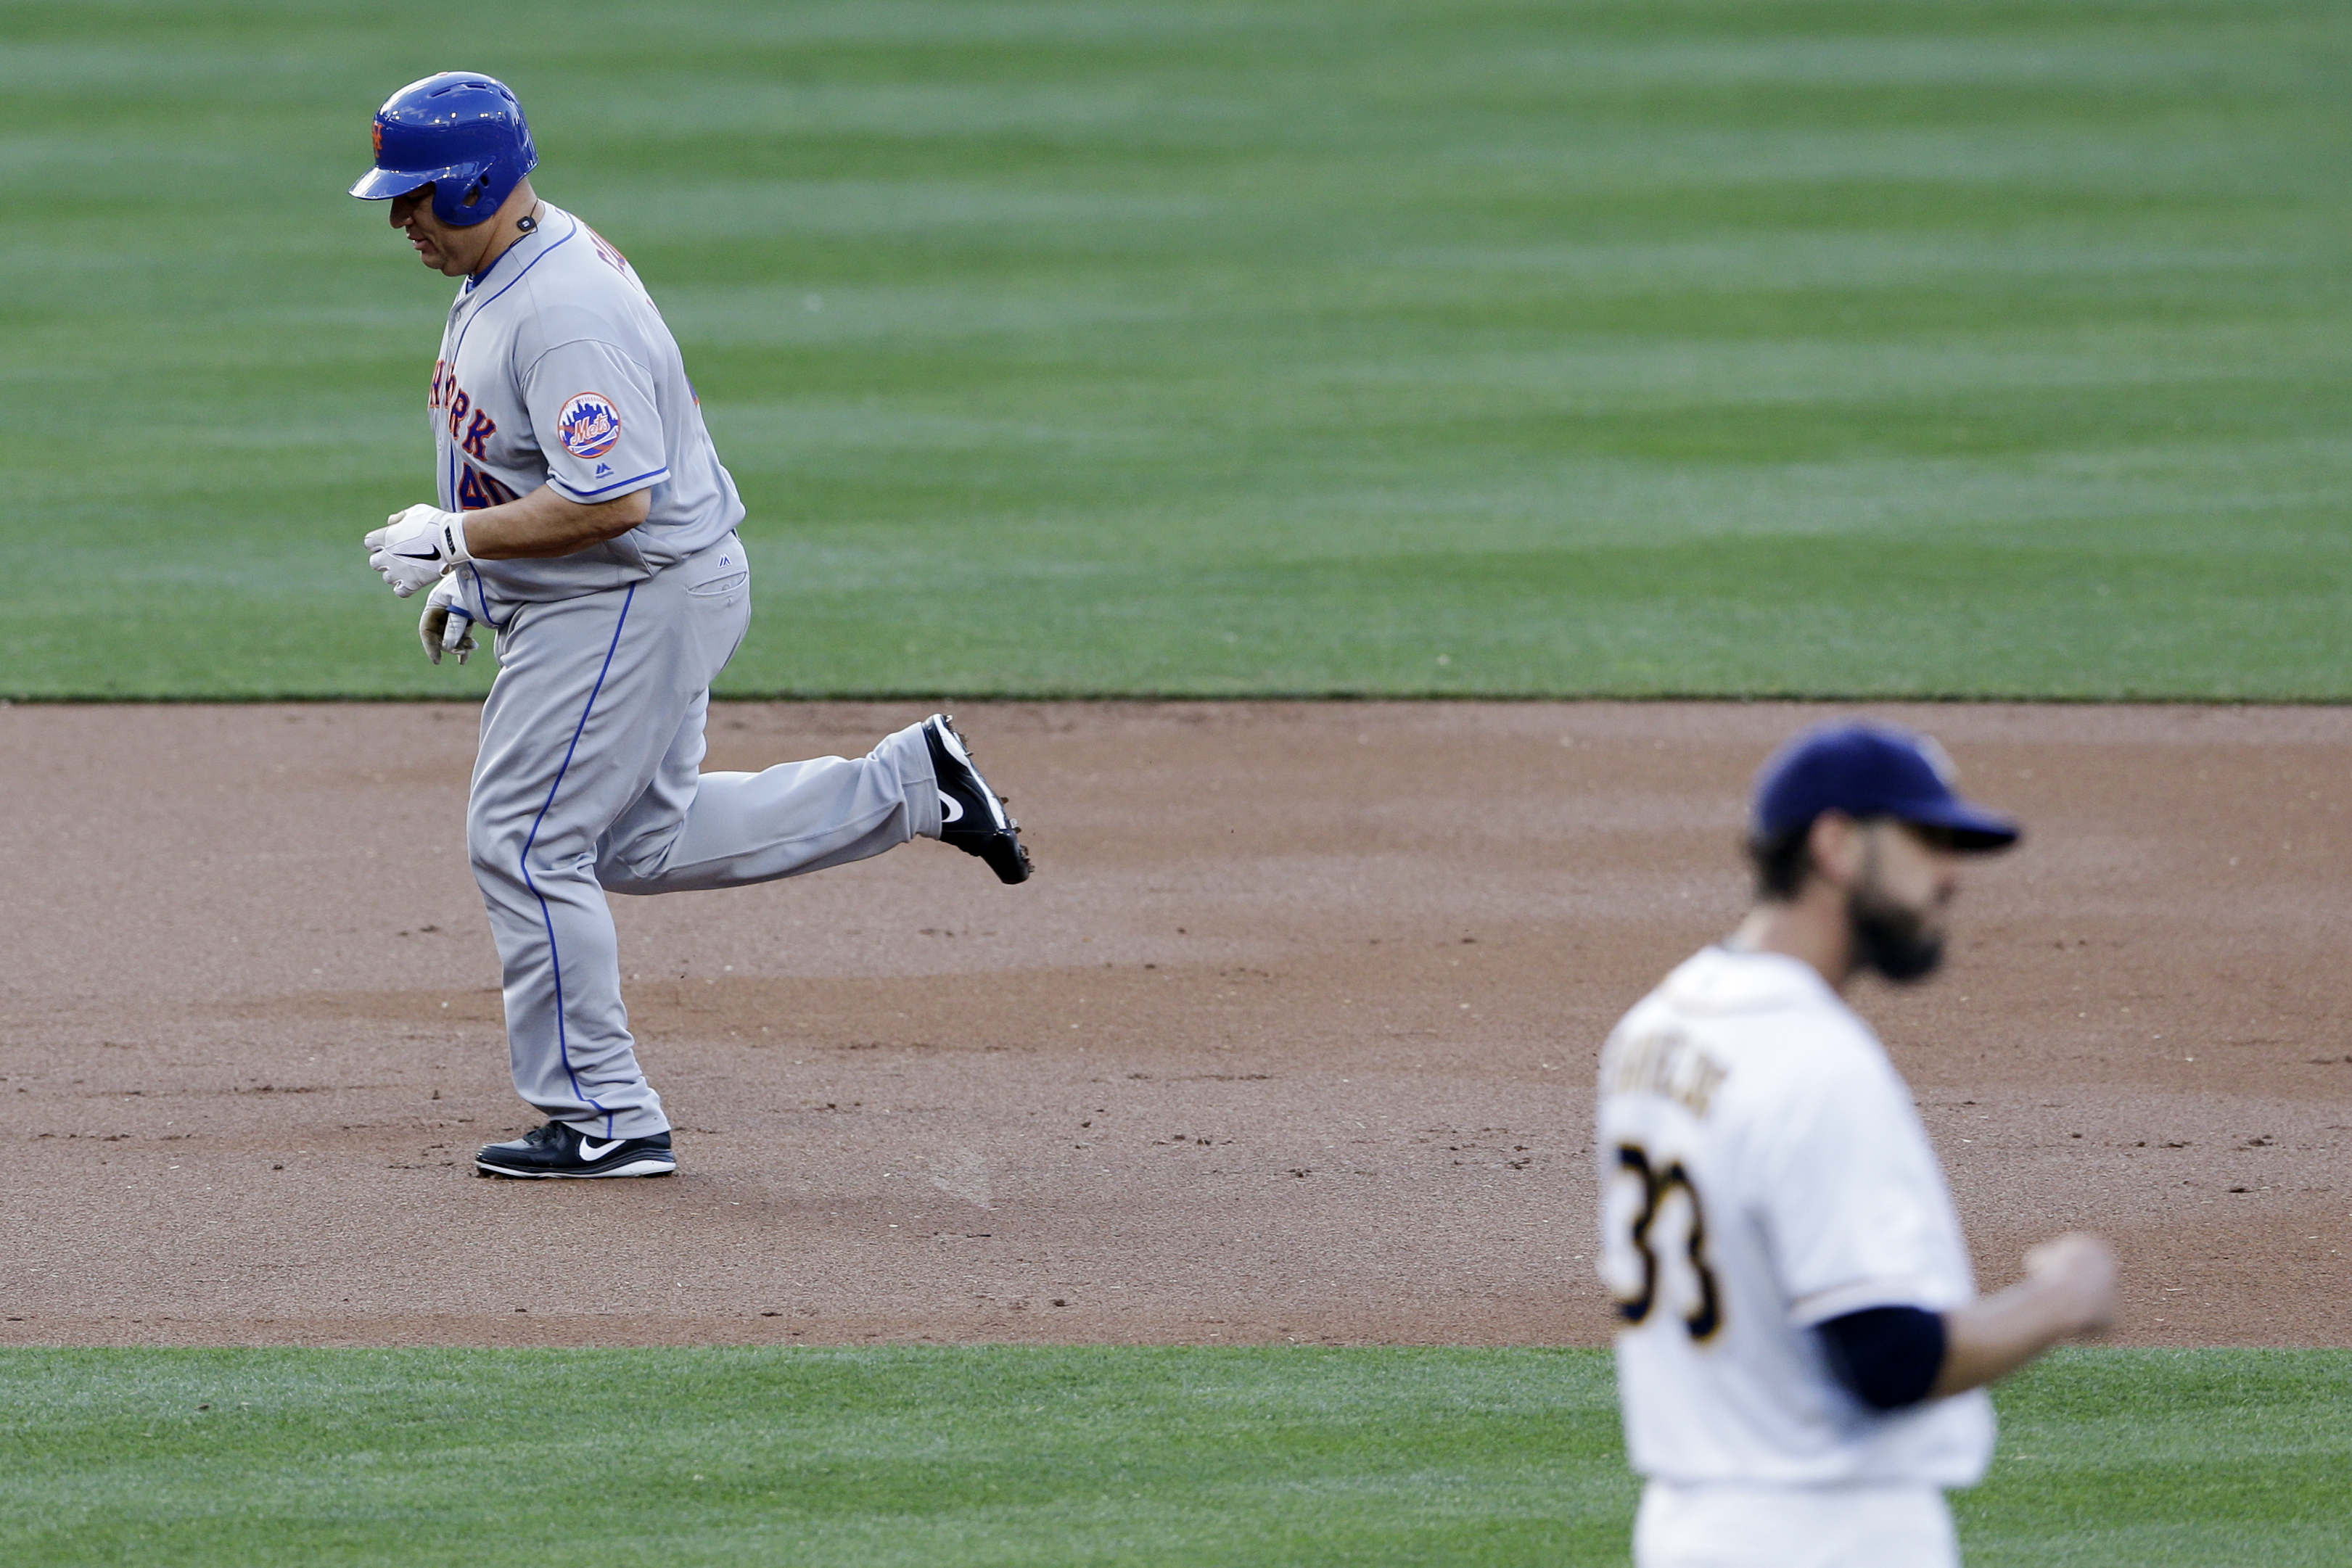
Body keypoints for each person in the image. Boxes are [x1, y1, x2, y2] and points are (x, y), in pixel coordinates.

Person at [348, 73, 1031, 1181]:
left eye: (415, 197)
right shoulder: (507, 266)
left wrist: (461, 544)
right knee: (633, 840)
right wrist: (474, 575)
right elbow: (526, 458)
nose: (400, 221)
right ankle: (912, 785)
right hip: (616, 594)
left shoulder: (560, 309)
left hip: (627, 599)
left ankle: (607, 1115)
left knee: (523, 842)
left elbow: (616, 498)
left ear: (473, 183)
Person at [1594, 720, 2118, 1567]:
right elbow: (1885, 1356)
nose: (1950, 876)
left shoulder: (1652, 1028)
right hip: (1826, 1530)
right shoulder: (1815, 1062)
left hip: (1687, 1527)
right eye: (1924, 839)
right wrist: (2062, 1297)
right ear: (1834, 843)